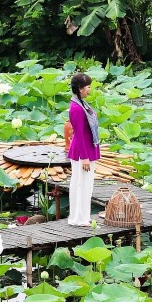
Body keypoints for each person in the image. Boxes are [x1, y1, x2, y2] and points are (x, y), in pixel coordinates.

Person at [68, 72, 101, 226]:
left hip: (87, 148)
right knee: (80, 184)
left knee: (87, 185)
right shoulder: (76, 108)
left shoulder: (81, 104)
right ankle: (78, 219)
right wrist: (85, 157)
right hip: (83, 152)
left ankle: (84, 216)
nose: (90, 89)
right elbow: (79, 134)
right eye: (88, 87)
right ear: (80, 88)